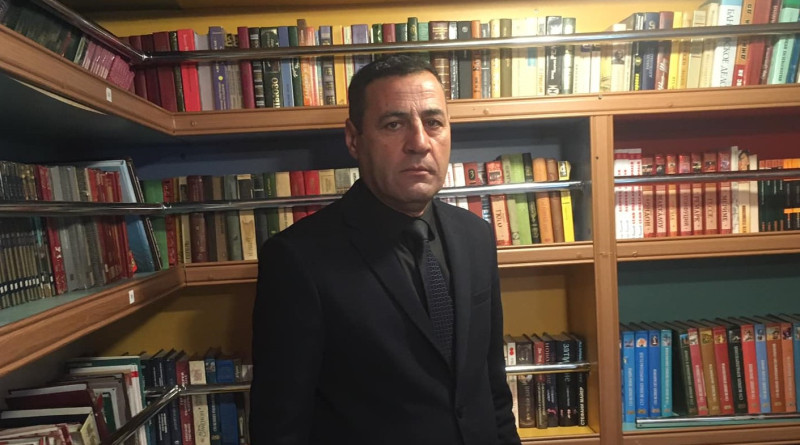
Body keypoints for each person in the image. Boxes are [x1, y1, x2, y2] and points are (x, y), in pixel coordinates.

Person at [250, 54, 521, 445]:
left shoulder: (476, 236)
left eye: (433, 122)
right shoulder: (297, 259)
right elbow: (279, 425)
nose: (419, 143)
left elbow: (492, 388)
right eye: (394, 124)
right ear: (353, 139)